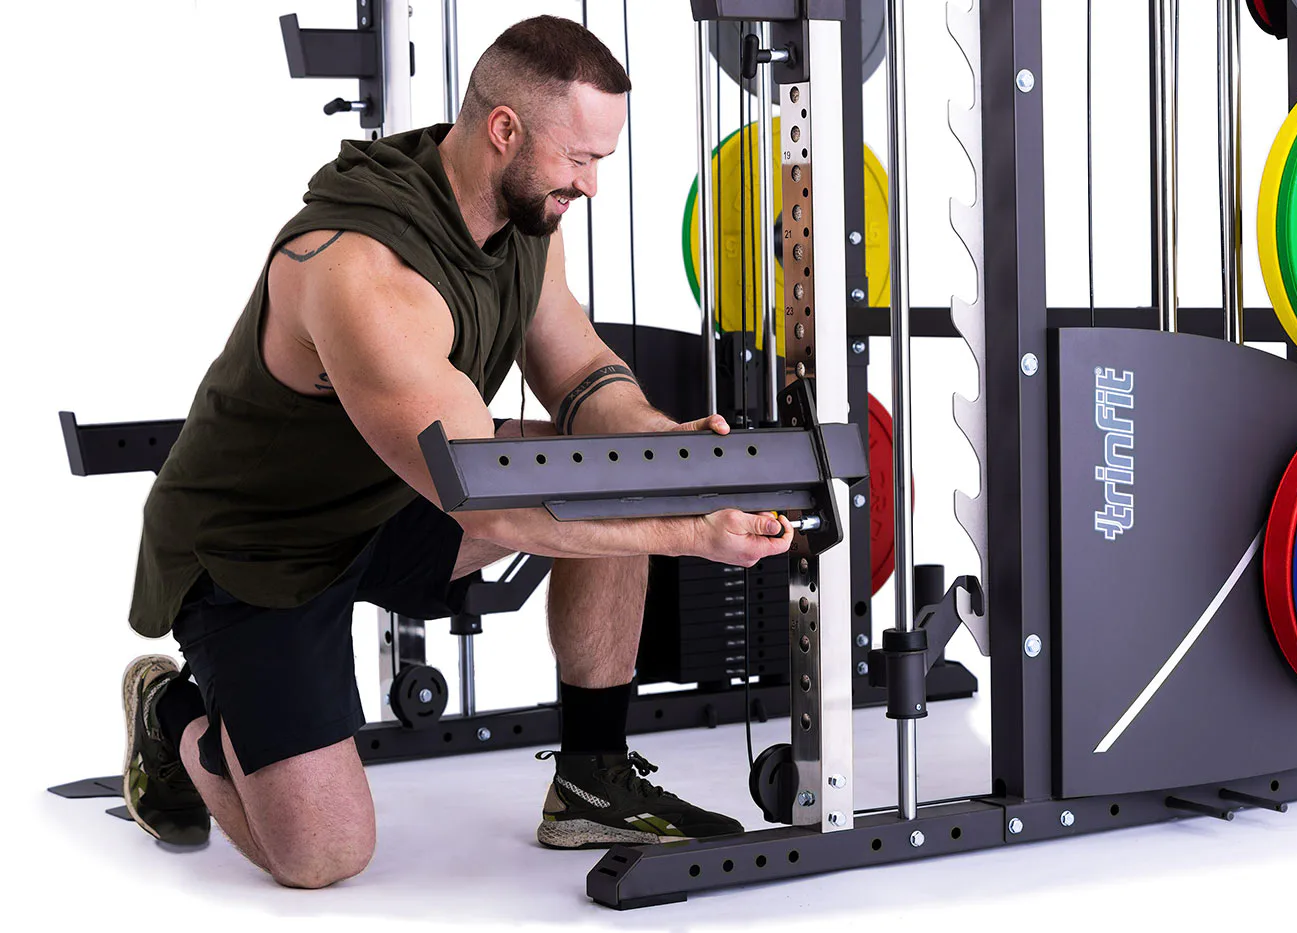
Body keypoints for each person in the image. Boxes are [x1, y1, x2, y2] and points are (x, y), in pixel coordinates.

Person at [120, 14, 794, 889]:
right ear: (504, 130)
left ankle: (592, 777)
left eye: (601, 160)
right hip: (261, 547)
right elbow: (492, 502)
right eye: (579, 159)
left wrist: (660, 446)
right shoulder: (363, 271)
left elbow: (579, 370)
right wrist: (689, 533)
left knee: (613, 467)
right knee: (323, 856)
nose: (592, 185)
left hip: (391, 497)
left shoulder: (525, 216)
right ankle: (173, 709)